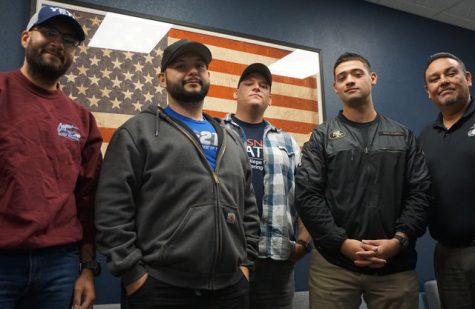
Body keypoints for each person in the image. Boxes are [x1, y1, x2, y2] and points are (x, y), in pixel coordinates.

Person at [95, 39, 260, 309]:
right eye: (180, 66)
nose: (192, 71)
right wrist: (134, 275)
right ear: (162, 78)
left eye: (199, 66)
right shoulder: (137, 133)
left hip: (230, 288)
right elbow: (111, 210)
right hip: (160, 288)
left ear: (209, 76)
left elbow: (249, 210)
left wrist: (245, 264)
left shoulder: (231, 139)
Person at [295, 52, 431, 309]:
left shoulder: (403, 136)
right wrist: (341, 243)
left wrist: (399, 240)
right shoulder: (321, 137)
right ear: (334, 87)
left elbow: (420, 193)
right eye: (342, 77)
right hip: (334, 267)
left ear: (373, 78)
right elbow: (307, 195)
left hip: (395, 266)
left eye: (357, 74)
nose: (349, 80)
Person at [0, 5, 103, 309]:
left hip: (59, 265)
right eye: (50, 32)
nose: (59, 44)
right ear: (24, 38)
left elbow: (87, 201)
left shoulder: (82, 119)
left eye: (69, 40)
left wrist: (87, 268)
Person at [223, 63, 311, 309]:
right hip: (227, 256)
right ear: (235, 93)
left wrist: (304, 242)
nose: (256, 88)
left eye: (263, 86)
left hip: (277, 259)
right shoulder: (216, 133)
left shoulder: (287, 141)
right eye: (249, 83)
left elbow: (306, 194)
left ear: (270, 98)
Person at [419, 52, 475, 309]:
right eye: (434, 78)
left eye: (450, 73)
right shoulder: (425, 137)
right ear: (428, 91)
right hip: (448, 254)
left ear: (467, 78)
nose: (443, 81)